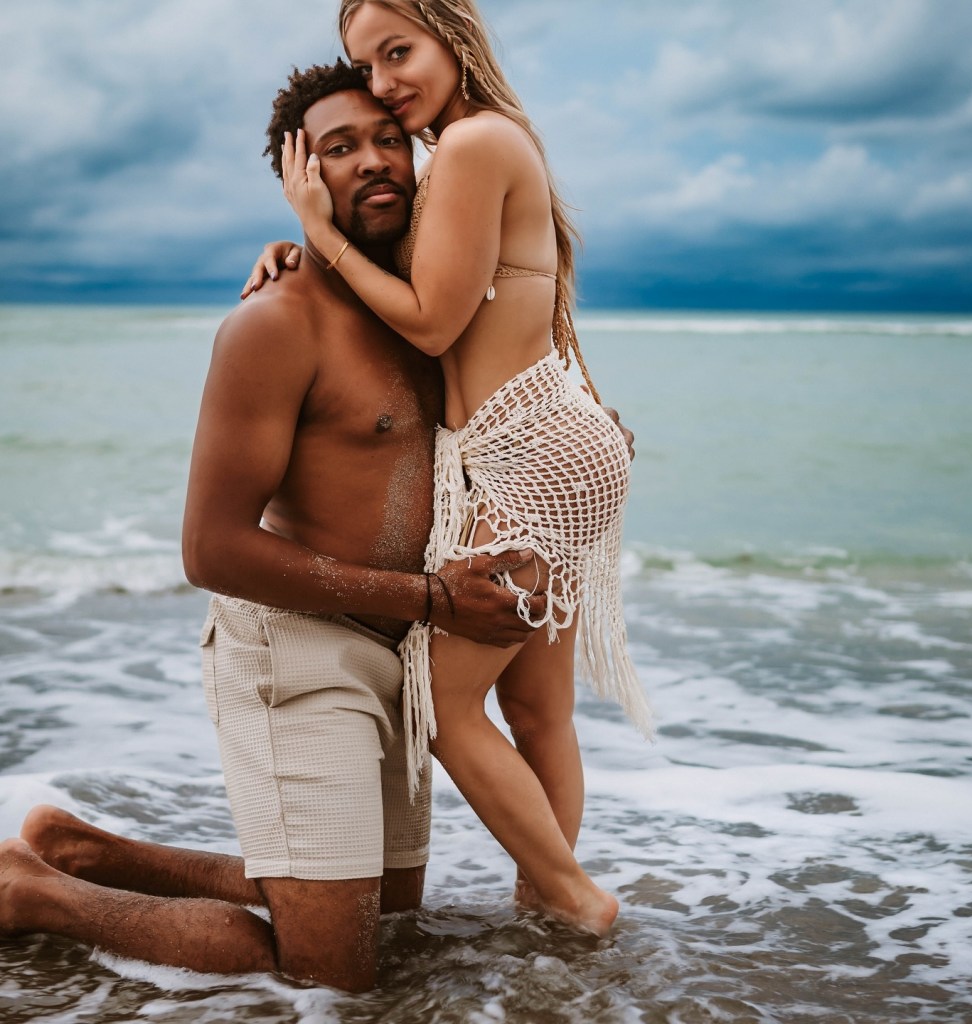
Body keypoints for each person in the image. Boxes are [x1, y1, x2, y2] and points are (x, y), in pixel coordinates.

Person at [0, 61, 565, 994]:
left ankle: (84, 848)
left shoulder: (437, 308)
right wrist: (430, 594)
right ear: (301, 178)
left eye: (391, 139)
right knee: (333, 970)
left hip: (405, 652)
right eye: (340, 148)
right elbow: (209, 548)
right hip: (298, 650)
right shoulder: (275, 323)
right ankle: (34, 892)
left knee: (391, 909)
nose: (375, 162)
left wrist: (588, 435)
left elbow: (525, 384)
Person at [278, 0, 652, 938]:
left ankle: (574, 896)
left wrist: (317, 237)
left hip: (528, 449)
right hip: (548, 439)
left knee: (442, 706)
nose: (386, 81)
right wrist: (300, 256)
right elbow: (443, 289)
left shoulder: (478, 143)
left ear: (452, 34)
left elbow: (434, 322)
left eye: (399, 52)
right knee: (535, 706)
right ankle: (549, 904)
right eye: (366, 66)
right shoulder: (476, 147)